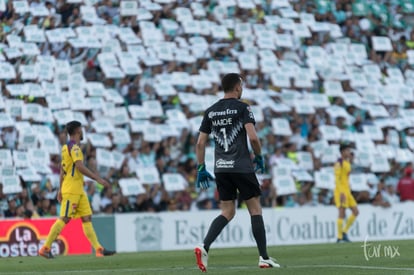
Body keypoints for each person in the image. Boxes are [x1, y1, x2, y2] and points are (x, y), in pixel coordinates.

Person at [193, 73, 280, 272]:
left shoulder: (210, 111)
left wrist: (200, 168)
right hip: (241, 166)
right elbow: (254, 138)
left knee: (227, 211)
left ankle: (204, 246)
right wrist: (258, 157)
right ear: (237, 87)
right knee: (255, 209)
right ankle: (264, 257)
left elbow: (200, 142)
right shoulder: (243, 108)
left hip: (221, 168)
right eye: (241, 86)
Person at [38, 121, 116, 259]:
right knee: (65, 218)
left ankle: (99, 249)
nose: (83, 131)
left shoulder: (65, 147)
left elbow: (63, 168)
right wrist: (97, 178)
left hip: (78, 190)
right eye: (81, 129)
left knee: (87, 218)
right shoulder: (74, 148)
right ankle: (45, 248)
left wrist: (59, 189)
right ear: (78, 130)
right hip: (72, 190)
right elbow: (79, 166)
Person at [334, 144, 359, 243]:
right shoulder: (338, 163)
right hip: (341, 191)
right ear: (342, 152)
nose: (349, 152)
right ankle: (339, 237)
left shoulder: (347, 162)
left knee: (356, 212)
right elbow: (337, 179)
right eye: (347, 150)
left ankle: (344, 232)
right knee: (342, 213)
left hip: (347, 191)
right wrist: (341, 193)